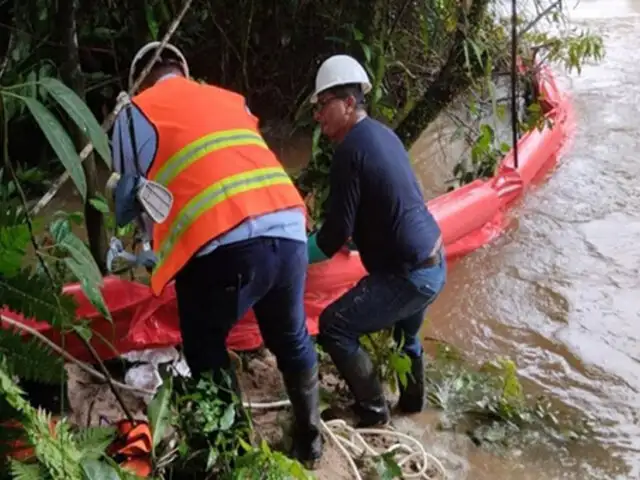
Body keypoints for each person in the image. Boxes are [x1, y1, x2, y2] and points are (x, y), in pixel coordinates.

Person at [108, 41, 322, 466]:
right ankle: (309, 443)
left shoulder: (134, 113)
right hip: (289, 225)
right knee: (291, 336)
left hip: (222, 246)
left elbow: (126, 203)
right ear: (183, 72)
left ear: (140, 82)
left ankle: (232, 453)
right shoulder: (230, 100)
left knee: (205, 348)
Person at [306, 54, 447, 427]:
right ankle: (414, 410)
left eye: (323, 106)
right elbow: (391, 200)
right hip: (434, 260)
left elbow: (332, 235)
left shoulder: (349, 151)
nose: (318, 117)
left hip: (408, 274)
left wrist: (292, 252)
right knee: (407, 339)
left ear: (349, 104)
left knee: (335, 325)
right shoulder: (383, 135)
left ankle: (372, 412)